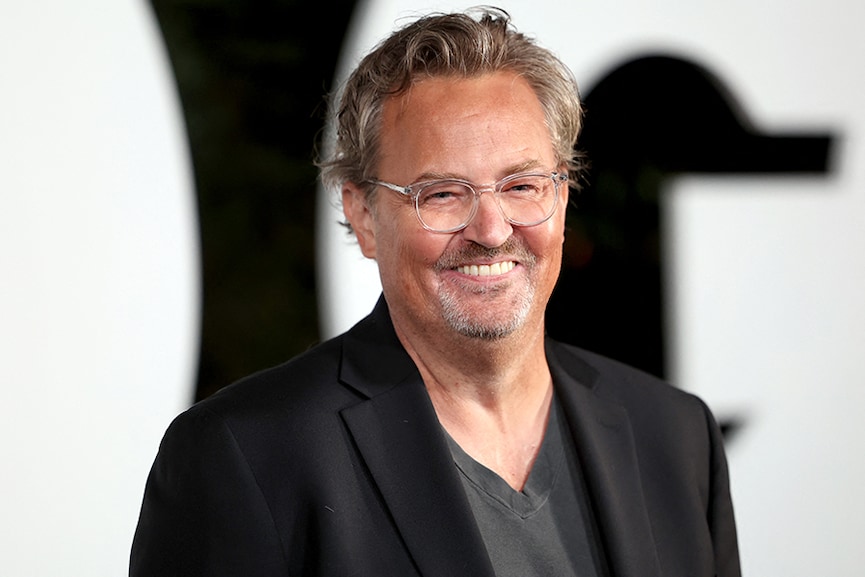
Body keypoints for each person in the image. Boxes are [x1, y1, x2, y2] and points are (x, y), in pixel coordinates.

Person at [130, 7, 740, 577]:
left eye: (522, 185)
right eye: (442, 194)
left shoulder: (675, 436)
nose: (492, 230)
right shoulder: (243, 458)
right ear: (364, 216)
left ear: (562, 194)